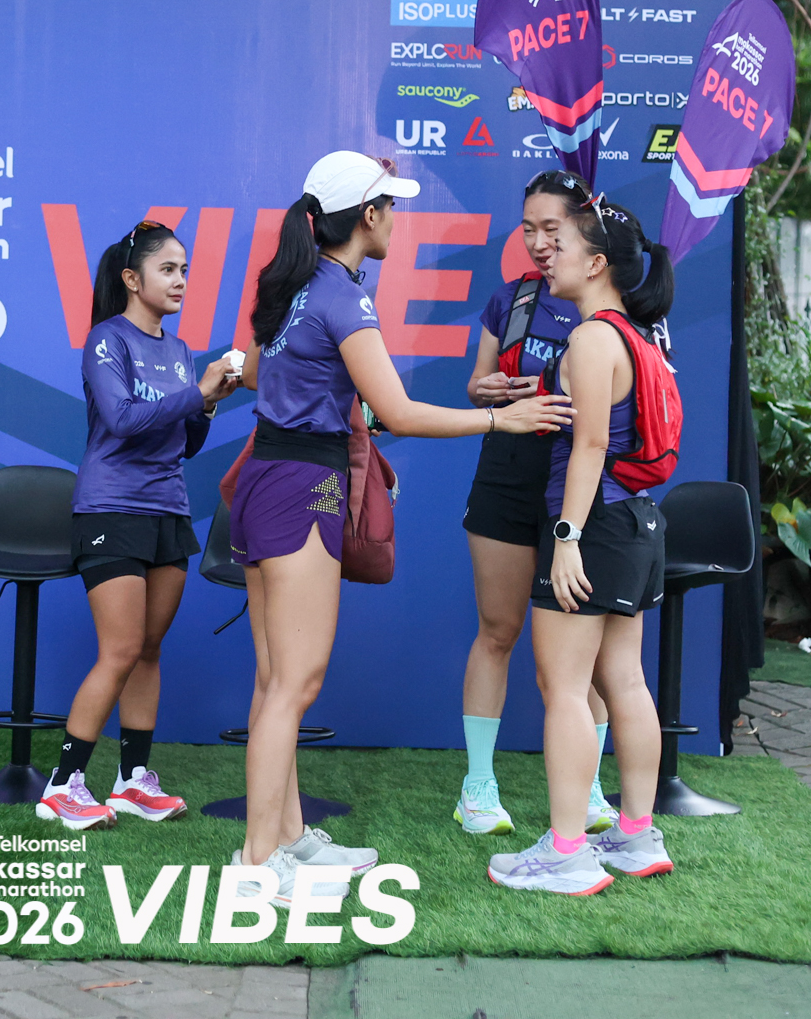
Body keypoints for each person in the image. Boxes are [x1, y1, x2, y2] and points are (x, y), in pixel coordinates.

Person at [229, 151, 572, 902]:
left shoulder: (291, 284)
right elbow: (400, 412)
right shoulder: (342, 296)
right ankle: (256, 862)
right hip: (303, 488)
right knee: (295, 683)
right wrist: (502, 419)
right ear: (368, 216)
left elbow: (253, 372)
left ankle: (286, 837)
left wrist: (324, 394)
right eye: (390, 206)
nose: (396, 219)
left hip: (264, 479)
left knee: (274, 679)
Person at [488, 194, 677, 896]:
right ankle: (636, 834)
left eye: (561, 243)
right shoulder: (638, 336)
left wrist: (565, 537)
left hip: (593, 525)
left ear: (596, 264)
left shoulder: (593, 340)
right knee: (624, 681)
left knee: (564, 687)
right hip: (634, 523)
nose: (547, 255)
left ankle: (568, 852)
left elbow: (591, 444)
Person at [37, 220, 242, 831]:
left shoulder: (179, 352)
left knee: (148, 650)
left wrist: (209, 401)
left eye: (185, 270)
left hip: (167, 509)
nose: (180, 281)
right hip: (111, 508)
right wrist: (197, 392)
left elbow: (185, 441)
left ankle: (132, 782)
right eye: (168, 269)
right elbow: (123, 419)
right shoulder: (107, 340)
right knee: (121, 649)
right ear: (132, 278)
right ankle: (63, 786)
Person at [457, 170, 615, 838]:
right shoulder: (512, 298)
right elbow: (475, 385)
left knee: (582, 653)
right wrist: (495, 391)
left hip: (575, 484)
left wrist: (563, 393)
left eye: (552, 229)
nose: (539, 242)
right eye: (529, 229)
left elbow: (618, 407)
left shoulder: (606, 305)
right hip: (506, 472)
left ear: (583, 229)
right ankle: (477, 787)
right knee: (498, 631)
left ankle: (592, 788)